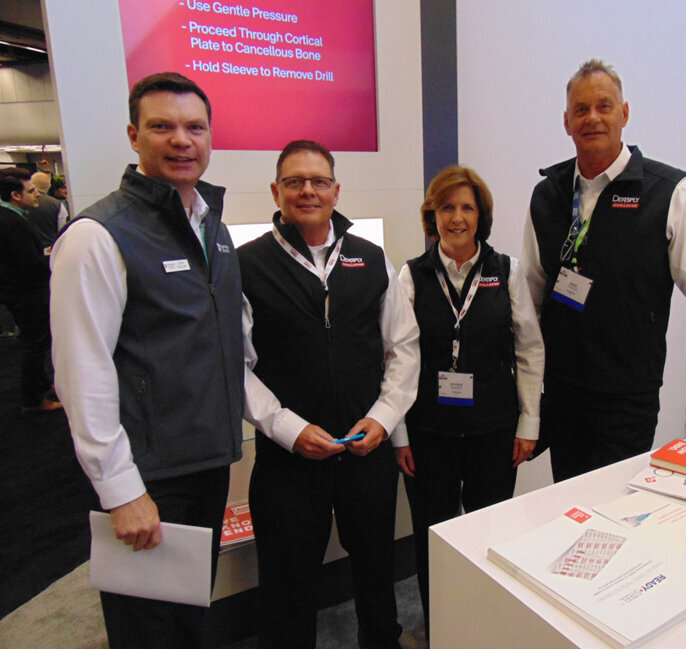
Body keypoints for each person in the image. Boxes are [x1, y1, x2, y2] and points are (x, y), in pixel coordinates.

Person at [50, 72, 293, 649]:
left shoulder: (212, 226)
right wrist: (121, 490)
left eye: (195, 127)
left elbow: (227, 338)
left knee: (186, 618)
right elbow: (82, 373)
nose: (181, 140)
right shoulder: (98, 236)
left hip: (205, 464)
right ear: (135, 136)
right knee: (147, 632)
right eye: (162, 126)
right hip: (148, 477)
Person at [522, 58, 686, 482]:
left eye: (604, 106)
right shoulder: (548, 194)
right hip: (563, 392)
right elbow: (530, 297)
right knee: (568, 502)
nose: (592, 117)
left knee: (613, 508)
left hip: (626, 395)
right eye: (581, 109)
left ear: (624, 113)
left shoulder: (668, 192)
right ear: (566, 121)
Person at [237, 140, 420, 649]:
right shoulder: (247, 265)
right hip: (288, 463)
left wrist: (382, 419)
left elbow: (403, 348)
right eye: (295, 181)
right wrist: (288, 431)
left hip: (365, 452)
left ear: (336, 191)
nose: (308, 191)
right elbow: (236, 368)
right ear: (276, 191)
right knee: (287, 586)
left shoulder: (371, 258)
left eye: (319, 181)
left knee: (376, 571)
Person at [390, 165, 543, 632]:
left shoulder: (506, 271)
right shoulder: (411, 275)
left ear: (482, 215)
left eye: (467, 207)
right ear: (431, 215)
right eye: (447, 207)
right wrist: (398, 434)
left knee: (489, 533)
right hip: (428, 433)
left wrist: (529, 424)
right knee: (432, 537)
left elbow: (530, 348)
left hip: (494, 432)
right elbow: (396, 357)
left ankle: (485, 627)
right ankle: (442, 627)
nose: (457, 217)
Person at [0, 167, 61, 412]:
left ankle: (42, 388)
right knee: (36, 344)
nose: (37, 195)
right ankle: (34, 399)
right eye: (32, 190)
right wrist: (55, 262)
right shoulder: (13, 222)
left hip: (18, 292)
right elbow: (29, 263)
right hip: (27, 293)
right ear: (16, 195)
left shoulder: (10, 217)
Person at [27, 170, 68, 251]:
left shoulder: (22, 202)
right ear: (49, 186)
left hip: (30, 248)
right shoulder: (57, 204)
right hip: (51, 249)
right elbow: (62, 231)